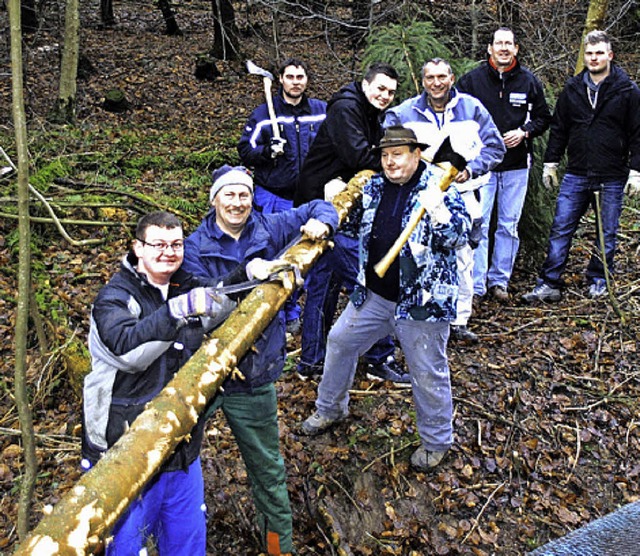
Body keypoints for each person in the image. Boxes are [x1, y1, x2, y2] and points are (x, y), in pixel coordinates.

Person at [182, 165, 339, 556]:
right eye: (229, 195)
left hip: (254, 376)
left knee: (269, 473)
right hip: (201, 374)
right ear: (214, 199)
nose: (237, 203)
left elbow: (321, 205)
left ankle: (278, 549)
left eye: (243, 195)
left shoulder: (267, 227)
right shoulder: (193, 247)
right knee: (174, 468)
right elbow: (205, 302)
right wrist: (255, 275)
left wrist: (324, 222)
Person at [300, 125, 471, 472]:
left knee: (427, 372)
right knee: (340, 342)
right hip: (375, 295)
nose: (390, 162)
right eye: (385, 155)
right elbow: (351, 227)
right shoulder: (375, 187)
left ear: (416, 154)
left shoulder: (439, 187)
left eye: (397, 154)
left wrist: (438, 213)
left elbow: (460, 236)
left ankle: (437, 440)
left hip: (422, 303)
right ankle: (330, 408)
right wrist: (333, 208)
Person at [82, 211, 239, 555]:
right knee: (126, 546)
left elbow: (222, 301)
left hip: (181, 449)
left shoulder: (184, 283)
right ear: (138, 248)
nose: (169, 252)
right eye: (158, 245)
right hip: (123, 450)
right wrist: (175, 312)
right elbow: (129, 352)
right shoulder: (114, 297)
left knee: (187, 543)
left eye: (176, 244)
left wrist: (250, 275)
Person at [294, 62, 409, 383]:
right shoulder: (346, 108)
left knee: (330, 281)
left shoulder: (369, 112)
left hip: (342, 205)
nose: (385, 96)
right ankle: (375, 357)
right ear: (365, 83)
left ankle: (313, 360)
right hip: (324, 208)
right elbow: (360, 155)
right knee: (366, 279)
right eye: (380, 89)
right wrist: (398, 162)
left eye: (391, 92)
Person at [385, 58, 505, 343]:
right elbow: (386, 133)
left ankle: (459, 320)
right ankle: (415, 317)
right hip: (421, 197)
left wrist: (471, 170)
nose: (436, 83)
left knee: (463, 258)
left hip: (463, 196)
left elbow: (495, 146)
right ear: (423, 81)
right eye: (430, 78)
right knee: (417, 256)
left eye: (441, 77)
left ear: (452, 78)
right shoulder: (406, 111)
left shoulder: (472, 108)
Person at [522, 30, 640, 303]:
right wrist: (550, 163)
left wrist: (636, 171)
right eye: (589, 53)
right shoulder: (572, 89)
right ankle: (549, 282)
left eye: (599, 53)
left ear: (610, 55)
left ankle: (599, 279)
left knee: (606, 231)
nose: (594, 58)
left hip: (611, 175)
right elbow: (559, 129)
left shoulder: (627, 91)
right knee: (561, 227)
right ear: (584, 56)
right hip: (575, 173)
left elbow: (637, 133)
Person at [456, 27, 552, 302]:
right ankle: (475, 285)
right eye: (499, 43)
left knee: (508, 225)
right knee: (479, 223)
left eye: (509, 44)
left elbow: (544, 118)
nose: (504, 48)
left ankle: (500, 282)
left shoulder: (529, 82)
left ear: (516, 49)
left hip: (516, 165)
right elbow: (456, 115)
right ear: (490, 48)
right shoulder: (472, 81)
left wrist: (524, 132)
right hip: (482, 167)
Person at [238, 58, 327, 331]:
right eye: (290, 77)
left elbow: (333, 144)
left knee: (308, 255)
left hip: (310, 197)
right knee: (277, 254)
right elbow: (245, 151)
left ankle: (302, 306)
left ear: (306, 80)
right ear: (281, 79)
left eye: (300, 77)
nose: (296, 81)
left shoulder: (320, 112)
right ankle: (284, 314)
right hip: (274, 196)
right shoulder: (263, 115)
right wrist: (268, 151)